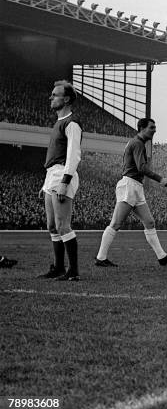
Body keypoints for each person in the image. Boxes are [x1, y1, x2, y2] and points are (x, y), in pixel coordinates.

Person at [94, 118, 167, 267]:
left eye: (155, 127)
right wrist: (160, 179)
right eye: (151, 127)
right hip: (129, 185)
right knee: (116, 223)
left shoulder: (136, 143)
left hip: (135, 186)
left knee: (149, 222)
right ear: (141, 128)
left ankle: (162, 257)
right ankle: (101, 258)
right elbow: (141, 168)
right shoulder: (138, 143)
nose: (154, 130)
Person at [37, 80, 82, 281]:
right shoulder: (58, 123)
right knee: (52, 226)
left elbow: (74, 156)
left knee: (63, 225)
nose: (51, 97)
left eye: (55, 95)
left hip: (62, 174)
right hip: (51, 176)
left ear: (66, 99)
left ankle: (73, 271)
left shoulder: (71, 124)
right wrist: (45, 184)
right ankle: (58, 267)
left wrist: (64, 181)